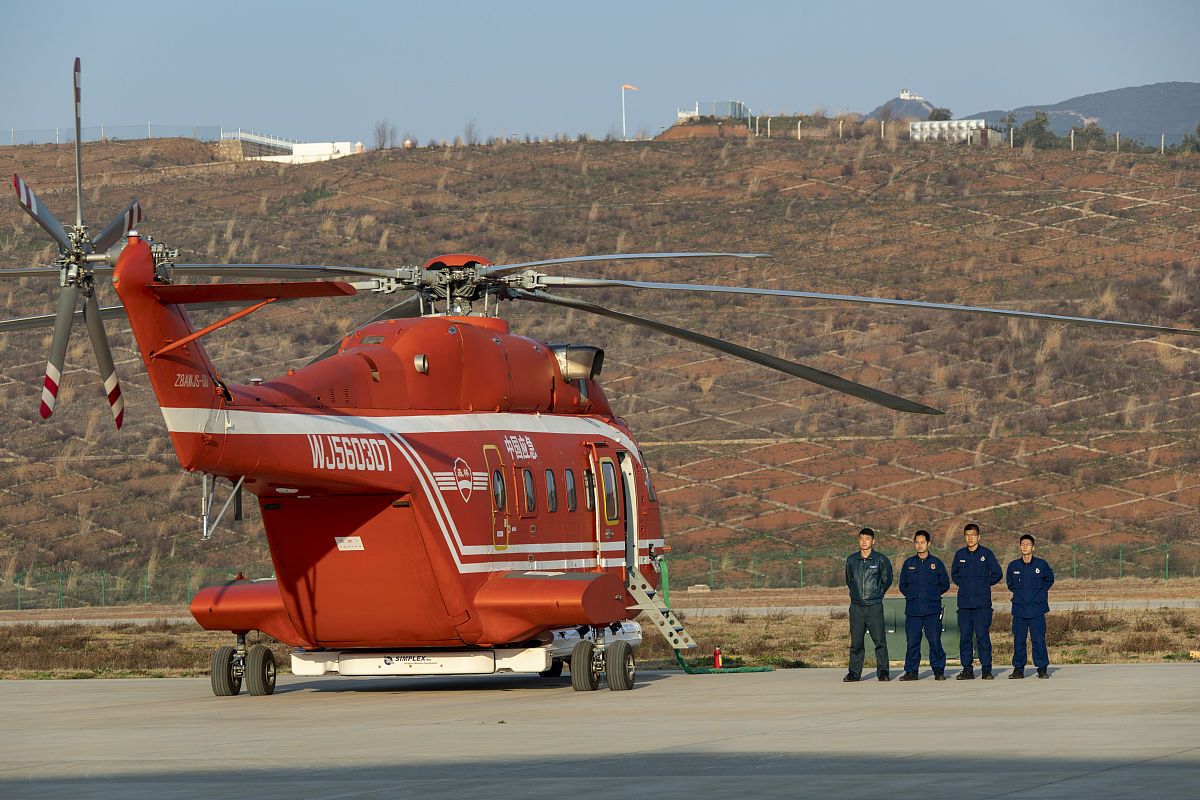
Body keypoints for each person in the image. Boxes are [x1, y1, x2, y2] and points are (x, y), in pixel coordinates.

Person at [951, 522, 1003, 679]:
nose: (970, 538)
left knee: (982, 637)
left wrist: (983, 585)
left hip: (982, 605)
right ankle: (967, 669)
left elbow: (997, 573)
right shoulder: (960, 555)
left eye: (973, 535)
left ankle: (986, 669)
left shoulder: (986, 554)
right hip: (965, 604)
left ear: (978, 537)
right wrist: (966, 586)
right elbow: (954, 575)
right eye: (967, 535)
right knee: (965, 637)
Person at [898, 529, 950, 681]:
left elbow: (945, 584)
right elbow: (903, 585)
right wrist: (912, 596)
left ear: (928, 544)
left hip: (932, 610)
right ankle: (911, 671)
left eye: (922, 542)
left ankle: (939, 671)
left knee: (934, 641)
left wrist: (933, 596)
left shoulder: (936, 563)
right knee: (912, 642)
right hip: (913, 611)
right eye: (917, 542)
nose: (919, 545)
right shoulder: (909, 563)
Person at [844, 527, 893, 682]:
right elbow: (849, 580)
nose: (863, 542)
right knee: (856, 642)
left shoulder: (880, 559)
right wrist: (856, 595)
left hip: (874, 605)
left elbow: (887, 579)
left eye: (867, 539)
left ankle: (883, 672)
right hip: (857, 606)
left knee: (879, 641)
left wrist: (878, 592)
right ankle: (854, 673)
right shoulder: (851, 560)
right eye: (861, 538)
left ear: (873, 541)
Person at [1006, 534, 1055, 679]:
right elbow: (1010, 584)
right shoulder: (1013, 566)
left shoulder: (1041, 565)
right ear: (1019, 547)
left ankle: (1042, 668)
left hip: (1037, 609)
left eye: (1028, 544)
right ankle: (1018, 669)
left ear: (1033, 547)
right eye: (1022, 544)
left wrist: (1038, 595)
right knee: (1019, 640)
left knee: (1038, 639)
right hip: (1020, 609)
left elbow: (1049, 580)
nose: (1025, 547)